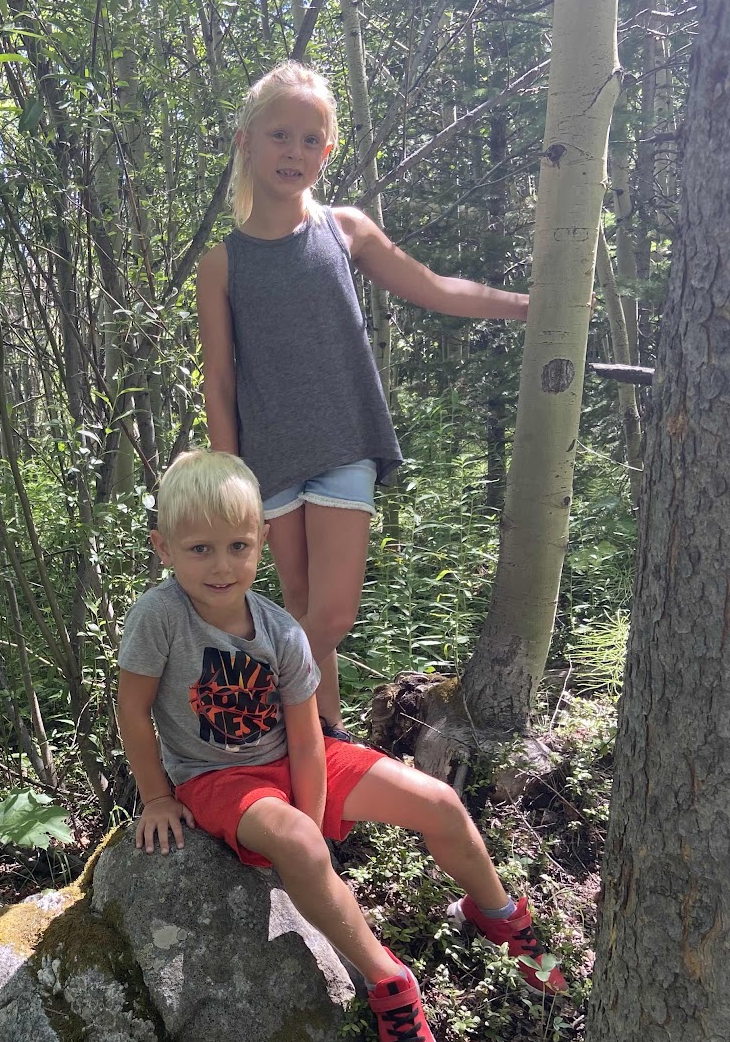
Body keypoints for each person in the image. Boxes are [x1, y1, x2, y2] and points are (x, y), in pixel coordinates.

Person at [117, 450, 564, 1042]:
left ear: (262, 538)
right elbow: (133, 711)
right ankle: (390, 983)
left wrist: (317, 817)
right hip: (217, 777)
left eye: (238, 546)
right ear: (164, 548)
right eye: (200, 549)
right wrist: (156, 797)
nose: (221, 566)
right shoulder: (160, 618)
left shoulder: (281, 632)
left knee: (438, 801)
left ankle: (499, 915)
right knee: (297, 842)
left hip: (294, 756)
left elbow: (306, 737)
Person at [196, 60, 529, 734]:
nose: (294, 151)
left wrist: (528, 304)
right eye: (280, 135)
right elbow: (220, 382)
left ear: (327, 150)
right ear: (246, 141)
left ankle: (242, 706)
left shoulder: (343, 229)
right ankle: (322, 740)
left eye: (309, 139)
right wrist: (232, 483)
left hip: (344, 442)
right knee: (299, 604)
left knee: (332, 614)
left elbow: (434, 288)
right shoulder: (222, 263)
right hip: (269, 460)